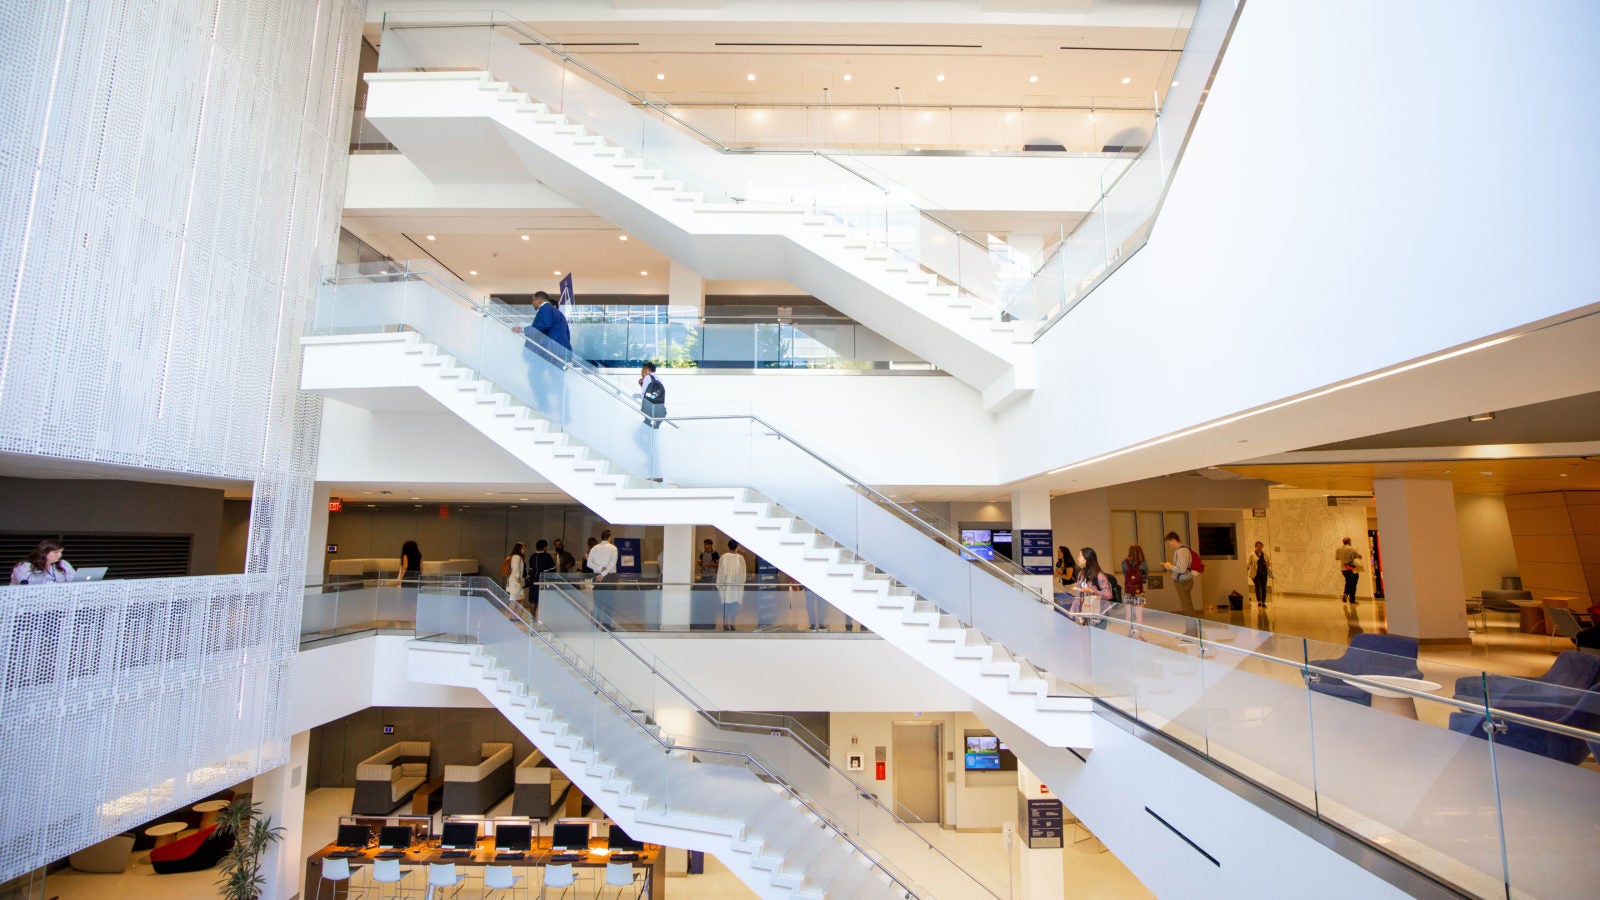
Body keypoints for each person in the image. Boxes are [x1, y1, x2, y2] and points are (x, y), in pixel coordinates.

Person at [514, 290, 572, 422]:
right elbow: (566, 335)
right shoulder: (558, 314)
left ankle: (546, 407)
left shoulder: (545, 309)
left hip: (550, 352)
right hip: (558, 352)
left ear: (538, 299)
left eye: (532, 301)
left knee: (535, 376)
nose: (532, 304)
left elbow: (544, 324)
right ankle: (562, 413)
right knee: (556, 382)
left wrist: (523, 329)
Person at [636, 361, 667, 482]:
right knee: (652, 442)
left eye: (642, 371)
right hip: (659, 413)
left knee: (637, 436)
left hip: (650, 414)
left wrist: (640, 387)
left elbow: (644, 395)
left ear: (646, 370)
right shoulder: (658, 379)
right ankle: (655, 470)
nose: (642, 374)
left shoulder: (648, 378)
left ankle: (654, 468)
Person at [1072, 547, 1114, 623]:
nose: (1078, 558)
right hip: (1085, 612)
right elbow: (1078, 595)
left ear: (1086, 559)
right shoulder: (1081, 574)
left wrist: (1093, 592)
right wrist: (1073, 609)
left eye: (1080, 556)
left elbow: (1108, 595)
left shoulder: (1099, 575)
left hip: (1099, 614)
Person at [1161, 532, 1197, 617]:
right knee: (1186, 605)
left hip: (1183, 582)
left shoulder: (1182, 551)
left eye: (1169, 543)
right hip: (1183, 580)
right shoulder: (1181, 551)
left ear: (1173, 540)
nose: (1170, 546)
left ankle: (1192, 629)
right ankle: (1191, 628)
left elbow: (1181, 569)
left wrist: (1169, 566)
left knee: (1187, 606)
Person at [10, 539, 75, 584]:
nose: (60, 555)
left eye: (61, 552)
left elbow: (74, 580)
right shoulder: (25, 566)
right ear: (44, 552)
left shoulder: (63, 564)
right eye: (56, 552)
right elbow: (27, 585)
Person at [716, 539, 748, 631]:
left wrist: (719, 585)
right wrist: (741, 585)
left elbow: (720, 572)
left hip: (725, 586)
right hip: (736, 587)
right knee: (735, 605)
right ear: (737, 546)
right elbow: (743, 574)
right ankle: (733, 623)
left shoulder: (723, 557)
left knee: (725, 605)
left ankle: (725, 623)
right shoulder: (740, 558)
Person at [1121, 544, 1149, 637]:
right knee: (1139, 616)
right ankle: (1139, 636)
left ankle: (1128, 635)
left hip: (1127, 592)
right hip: (1138, 593)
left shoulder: (1124, 562)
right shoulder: (1143, 563)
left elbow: (1125, 575)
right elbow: (1145, 579)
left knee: (1128, 615)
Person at [530, 540, 558, 616]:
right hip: (544, 581)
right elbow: (553, 569)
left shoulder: (533, 556)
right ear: (544, 547)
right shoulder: (547, 556)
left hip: (533, 580)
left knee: (533, 600)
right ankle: (542, 617)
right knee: (543, 600)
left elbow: (531, 570)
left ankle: (532, 618)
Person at [1335, 537, 1363, 604]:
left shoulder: (1339, 549)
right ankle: (1352, 600)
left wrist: (1344, 558)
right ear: (1349, 541)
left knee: (1348, 582)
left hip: (1343, 569)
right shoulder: (1352, 549)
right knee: (1353, 584)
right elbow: (1360, 556)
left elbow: (1337, 558)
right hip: (1351, 568)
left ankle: (1345, 594)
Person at [1246, 541, 1271, 607]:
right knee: (1257, 586)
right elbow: (1248, 564)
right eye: (1258, 546)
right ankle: (1259, 601)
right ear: (1255, 547)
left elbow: (1268, 563)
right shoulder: (1252, 554)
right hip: (1255, 574)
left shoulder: (1265, 554)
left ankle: (1263, 602)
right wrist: (1246, 570)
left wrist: (1267, 563)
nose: (1259, 548)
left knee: (1263, 587)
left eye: (1260, 546)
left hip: (1264, 573)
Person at [505, 541, 528, 606]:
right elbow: (515, 568)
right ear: (519, 549)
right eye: (523, 548)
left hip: (518, 581)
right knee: (515, 599)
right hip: (516, 582)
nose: (525, 550)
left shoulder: (517, 557)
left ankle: (517, 615)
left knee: (519, 599)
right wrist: (518, 578)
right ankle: (513, 615)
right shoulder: (516, 557)